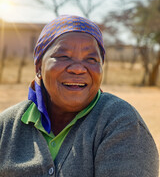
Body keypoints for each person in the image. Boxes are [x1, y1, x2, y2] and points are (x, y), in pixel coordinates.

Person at [0, 15, 159, 177]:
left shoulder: (120, 122)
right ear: (39, 67)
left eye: (91, 59)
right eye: (63, 56)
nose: (78, 69)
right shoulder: (6, 126)